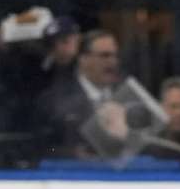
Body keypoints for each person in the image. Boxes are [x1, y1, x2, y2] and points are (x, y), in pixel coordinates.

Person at [34, 29, 122, 159]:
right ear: (83, 59)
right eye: (105, 55)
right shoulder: (54, 100)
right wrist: (72, 154)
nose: (112, 62)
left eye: (115, 56)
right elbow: (39, 148)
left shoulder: (127, 97)